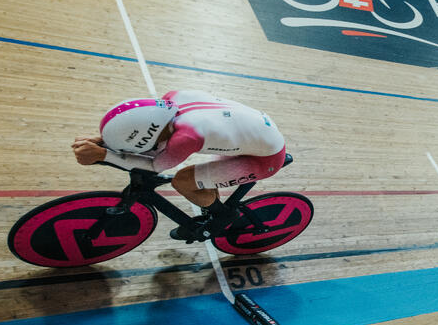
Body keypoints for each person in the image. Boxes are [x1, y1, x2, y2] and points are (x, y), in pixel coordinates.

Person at [71, 90, 287, 238]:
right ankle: (212, 202)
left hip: (264, 159)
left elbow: (155, 165)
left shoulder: (187, 136)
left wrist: (104, 155)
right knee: (201, 177)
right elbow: (152, 137)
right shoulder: (172, 98)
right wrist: (106, 140)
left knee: (183, 181)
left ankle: (224, 215)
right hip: (255, 134)